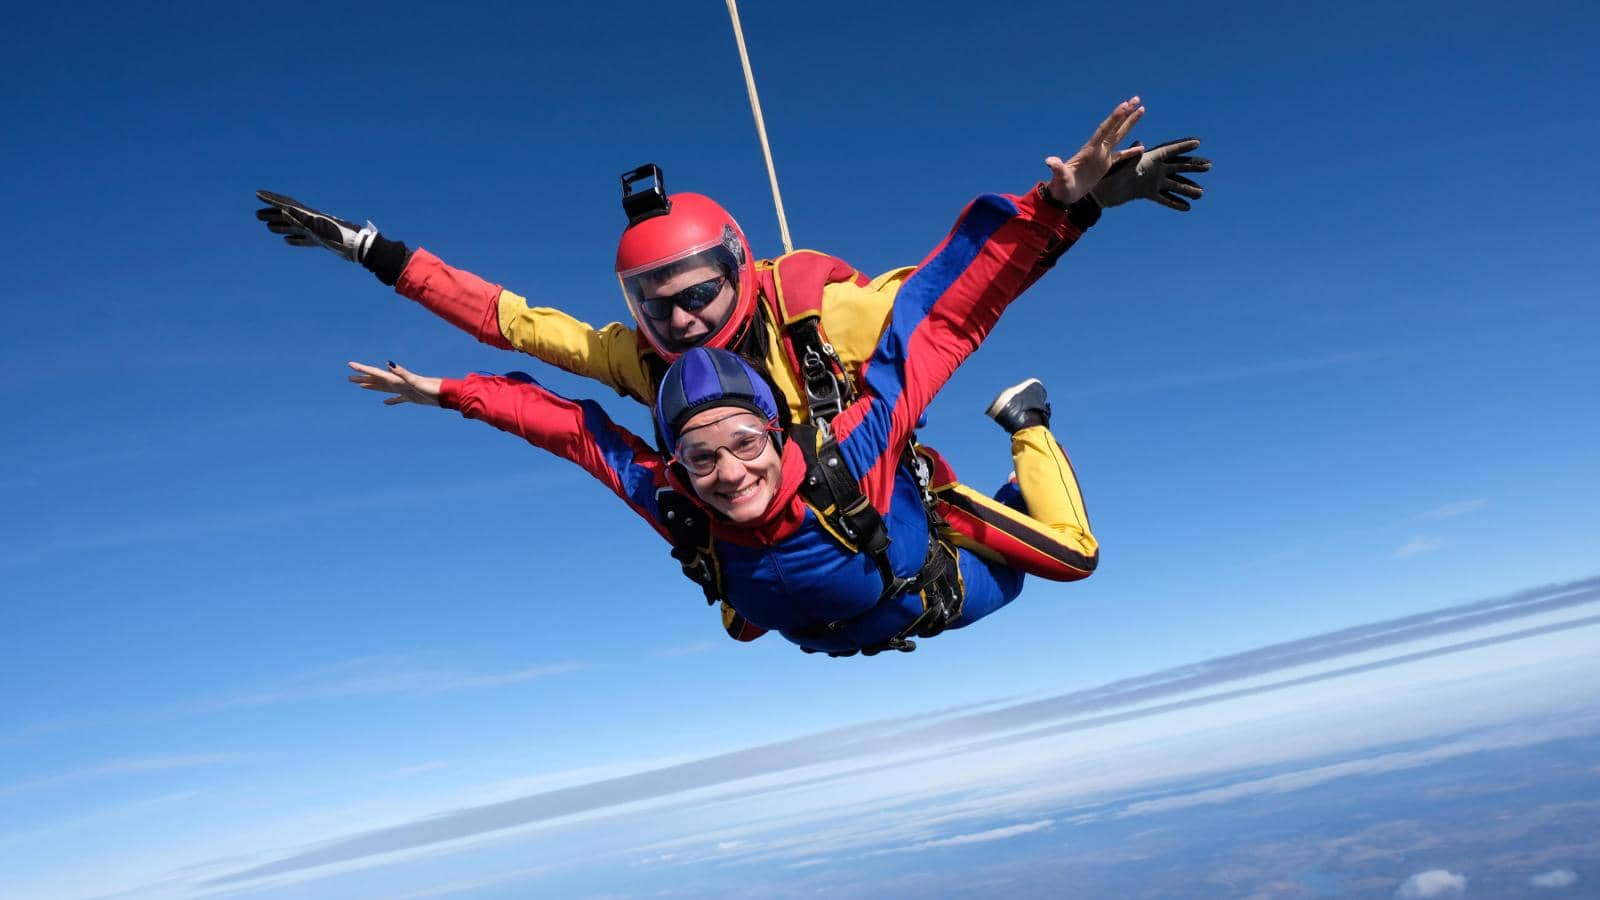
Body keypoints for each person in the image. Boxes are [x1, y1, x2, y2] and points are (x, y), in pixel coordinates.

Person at [254, 98, 1208, 612]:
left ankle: (1028, 425)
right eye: (654, 305)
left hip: (895, 507)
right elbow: (514, 325)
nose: (682, 319)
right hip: (806, 560)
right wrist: (375, 251)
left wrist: (1075, 204)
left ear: (739, 267)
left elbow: (951, 303)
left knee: (1071, 562)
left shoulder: (828, 321)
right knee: (742, 597)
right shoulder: (651, 366)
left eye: (699, 291)